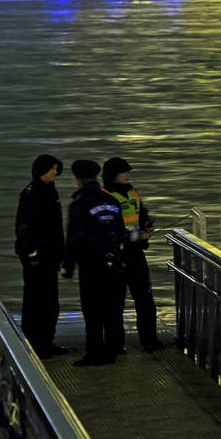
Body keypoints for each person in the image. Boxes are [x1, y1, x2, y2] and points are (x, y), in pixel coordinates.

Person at [62, 159, 126, 366]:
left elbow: (74, 237)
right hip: (114, 262)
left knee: (92, 310)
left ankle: (95, 354)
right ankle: (113, 350)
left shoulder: (79, 204)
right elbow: (120, 232)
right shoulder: (112, 201)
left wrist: (68, 266)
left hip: (91, 265)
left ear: (78, 179)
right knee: (112, 309)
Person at [103, 157, 163, 352]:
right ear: (113, 175)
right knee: (115, 303)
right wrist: (136, 235)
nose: (127, 175)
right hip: (117, 256)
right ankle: (115, 345)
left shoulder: (132, 192)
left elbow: (141, 214)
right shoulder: (106, 196)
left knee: (145, 300)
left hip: (136, 253)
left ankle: (149, 340)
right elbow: (109, 231)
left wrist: (146, 227)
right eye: (123, 172)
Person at [14, 154, 67, 359]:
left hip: (51, 256)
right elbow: (24, 226)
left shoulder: (49, 191)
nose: (56, 172)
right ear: (42, 170)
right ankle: (33, 343)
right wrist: (32, 253)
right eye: (52, 168)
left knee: (50, 301)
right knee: (35, 300)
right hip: (37, 259)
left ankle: (46, 341)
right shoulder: (31, 193)